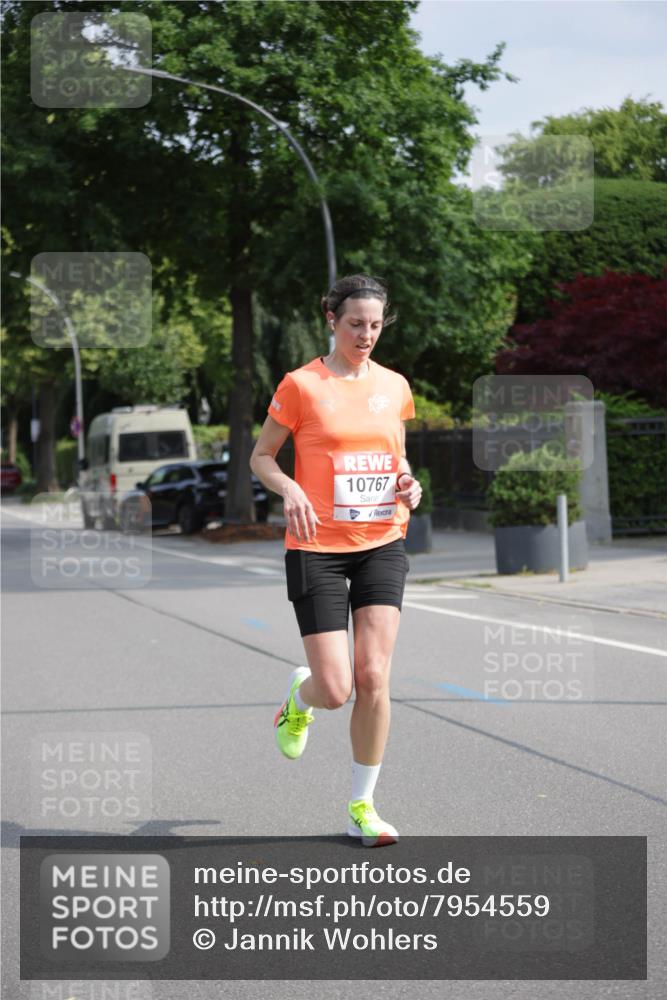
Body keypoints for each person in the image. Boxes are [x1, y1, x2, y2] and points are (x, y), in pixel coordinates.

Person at [249, 274, 422, 847]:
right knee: (336, 687)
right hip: (316, 547)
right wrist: (289, 489)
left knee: (374, 677)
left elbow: (393, 454)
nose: (366, 334)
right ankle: (299, 699)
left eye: (375, 325)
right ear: (330, 318)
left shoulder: (394, 385)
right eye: (355, 324)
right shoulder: (302, 385)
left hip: (381, 540)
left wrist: (406, 483)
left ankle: (361, 806)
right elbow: (262, 456)